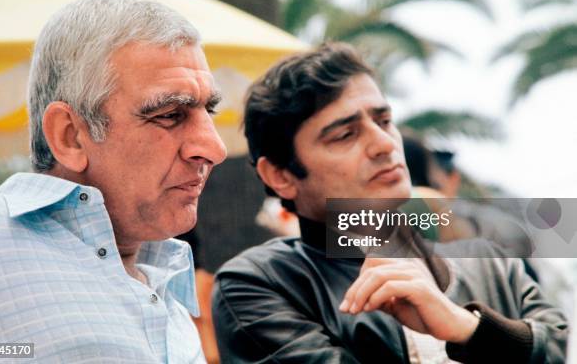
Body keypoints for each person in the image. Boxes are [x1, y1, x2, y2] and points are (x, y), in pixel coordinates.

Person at [212, 42, 567, 363]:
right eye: (345, 134)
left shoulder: (489, 264)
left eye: (384, 120)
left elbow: (555, 347)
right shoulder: (262, 283)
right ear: (280, 175)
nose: (384, 143)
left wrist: (466, 328)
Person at [0, 0, 226, 362]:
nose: (214, 148)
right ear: (70, 136)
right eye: (169, 114)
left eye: (208, 110)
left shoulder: (168, 282)